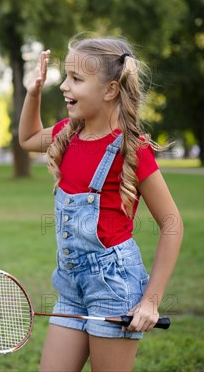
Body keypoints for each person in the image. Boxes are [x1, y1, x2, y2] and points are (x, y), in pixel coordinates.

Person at [19, 35, 183, 371]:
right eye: (65, 76)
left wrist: (150, 302)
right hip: (69, 286)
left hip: (115, 287)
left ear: (110, 90)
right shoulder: (67, 133)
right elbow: (26, 139)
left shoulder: (132, 150)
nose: (64, 86)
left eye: (76, 79)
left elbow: (172, 224)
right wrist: (33, 93)